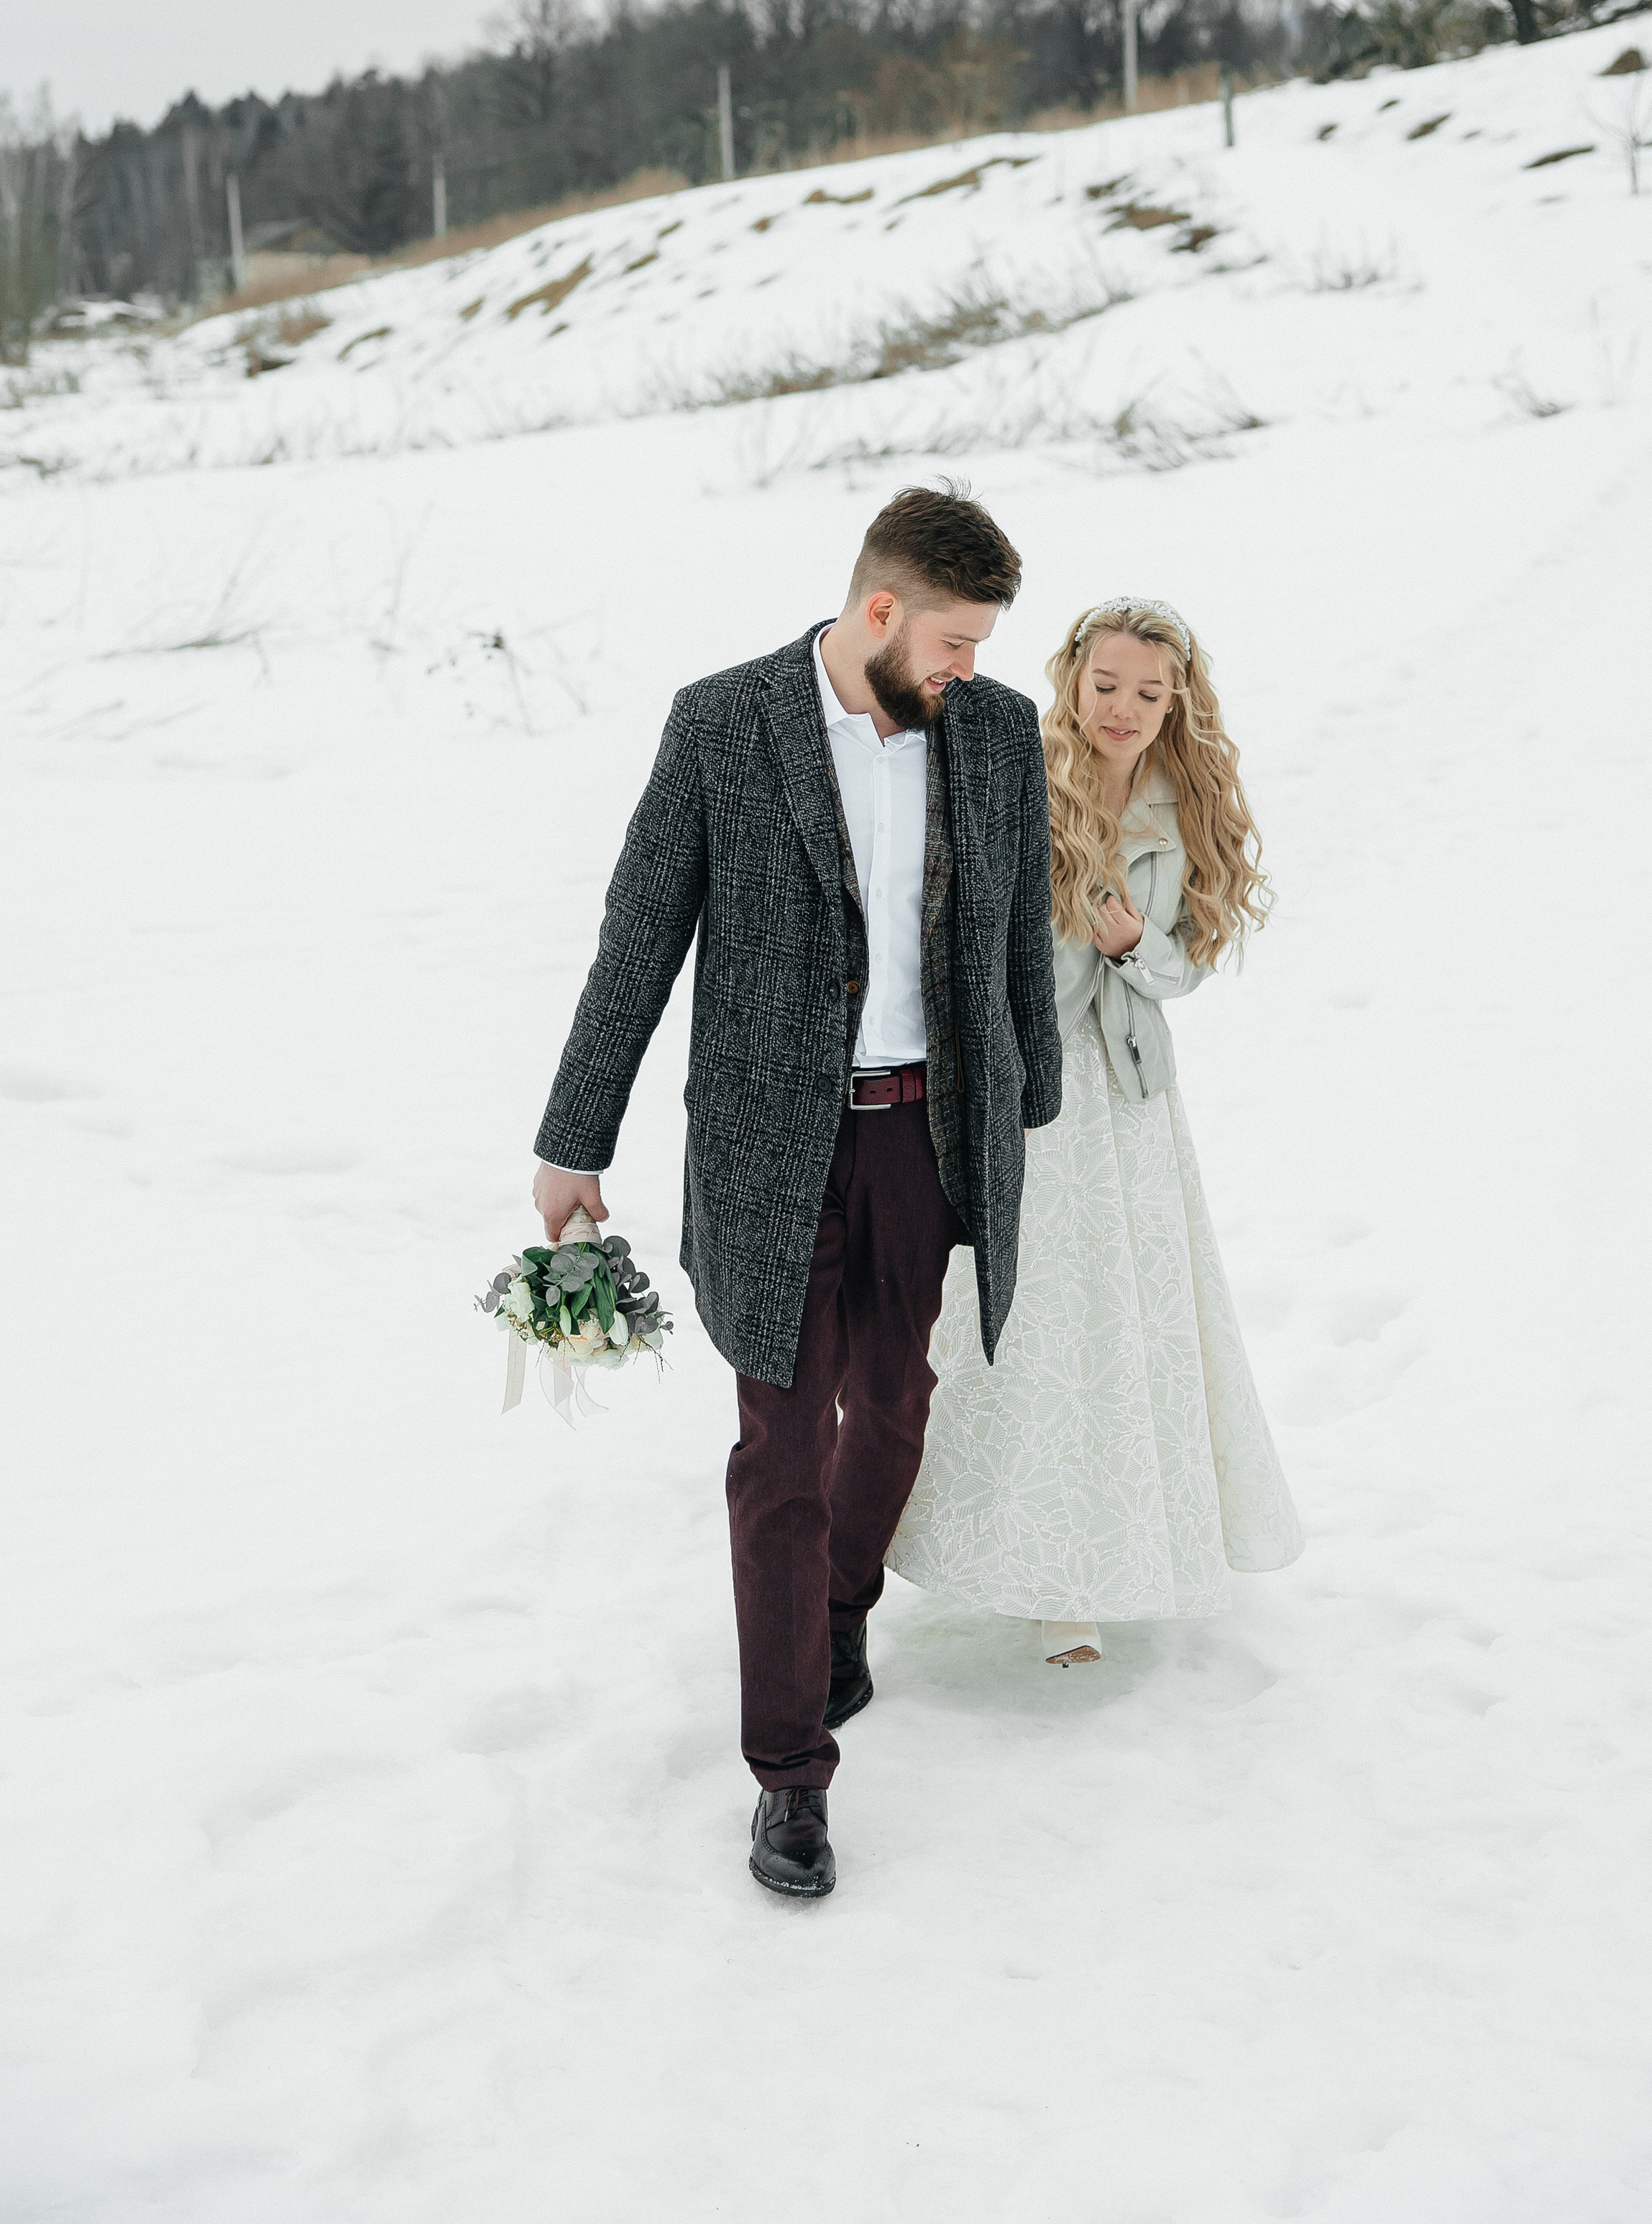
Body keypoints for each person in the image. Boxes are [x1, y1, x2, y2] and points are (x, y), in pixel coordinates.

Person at [529, 486, 1060, 1898]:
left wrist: (1032, 1108)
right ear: (876, 611)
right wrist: (576, 1139)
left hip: (928, 1141)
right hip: (774, 1154)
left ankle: (835, 1612)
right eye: (949, 641)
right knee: (778, 1445)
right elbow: (638, 940)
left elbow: (1019, 930)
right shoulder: (721, 726)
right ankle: (788, 1780)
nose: (967, 669)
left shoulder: (998, 735)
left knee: (893, 1407)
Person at [886, 597, 1303, 1664]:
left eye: (1149, 694)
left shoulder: (1184, 807)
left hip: (1127, 1099)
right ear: (1072, 679)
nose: (1123, 708)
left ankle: (1118, 1555)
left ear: (1177, 705)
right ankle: (1031, 1566)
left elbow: (1188, 966)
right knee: (1026, 1316)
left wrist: (1130, 947)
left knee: (1130, 1319)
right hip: (1025, 1084)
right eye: (1106, 685)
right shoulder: (1017, 776)